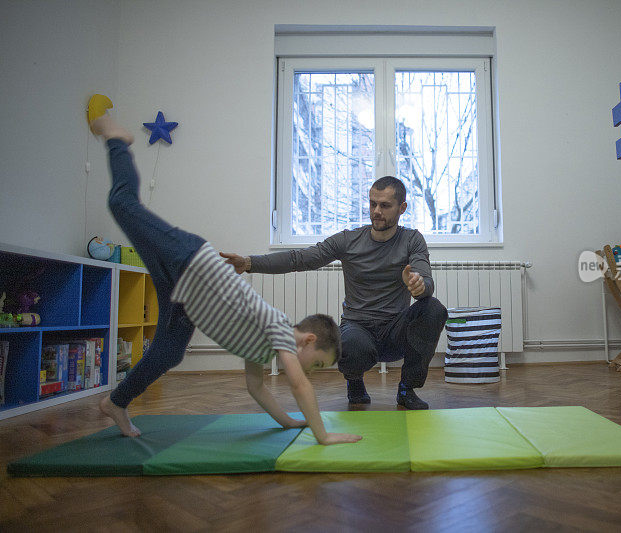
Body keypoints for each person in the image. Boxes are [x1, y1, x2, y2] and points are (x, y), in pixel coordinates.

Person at [86, 94, 360, 445]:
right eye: (318, 363)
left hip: (186, 298)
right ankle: (116, 138)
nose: (313, 371)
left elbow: (256, 387)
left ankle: (115, 402)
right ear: (308, 340)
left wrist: (289, 422)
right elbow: (297, 382)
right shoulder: (278, 330)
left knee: (168, 352)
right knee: (121, 204)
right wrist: (322, 435)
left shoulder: (261, 346)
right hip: (190, 260)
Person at [221, 177, 448, 410]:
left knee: (433, 309)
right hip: (358, 329)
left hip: (395, 332)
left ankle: (406, 389)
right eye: (372, 204)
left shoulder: (412, 239)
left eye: (385, 206)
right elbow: (299, 259)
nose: (376, 211)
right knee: (350, 344)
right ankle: (354, 380)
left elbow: (424, 280)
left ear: (402, 208)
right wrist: (249, 263)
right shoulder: (349, 240)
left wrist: (419, 285)